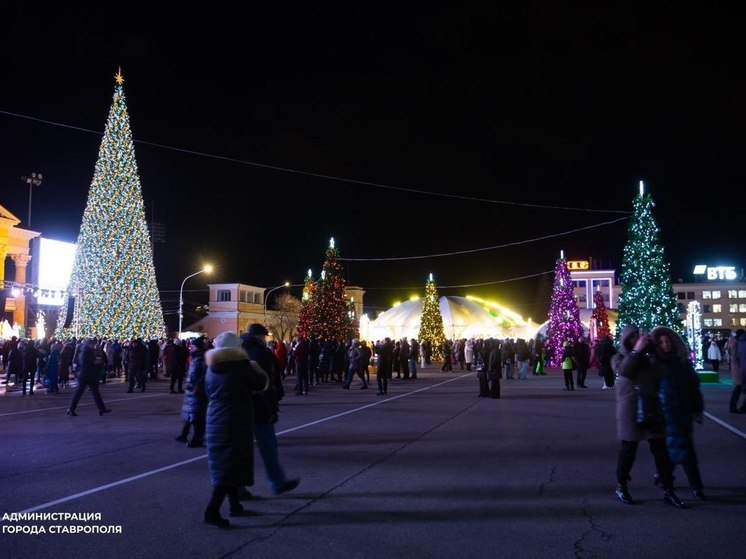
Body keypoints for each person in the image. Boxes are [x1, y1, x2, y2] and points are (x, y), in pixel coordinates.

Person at [612, 325, 684, 508]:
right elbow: (624, 371)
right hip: (631, 413)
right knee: (628, 452)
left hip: (651, 411)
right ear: (626, 340)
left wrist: (654, 348)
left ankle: (669, 490)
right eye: (633, 337)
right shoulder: (618, 358)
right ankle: (621, 486)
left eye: (639, 336)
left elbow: (663, 370)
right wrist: (636, 351)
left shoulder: (650, 359)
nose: (637, 339)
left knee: (661, 453)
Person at [204, 331, 269, 527]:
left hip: (215, 416)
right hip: (235, 418)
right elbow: (261, 384)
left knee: (228, 461)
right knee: (230, 464)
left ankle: (234, 504)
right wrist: (256, 367)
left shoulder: (212, 366)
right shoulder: (241, 366)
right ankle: (212, 511)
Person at [240, 324, 300, 497]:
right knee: (268, 446)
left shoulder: (239, 352)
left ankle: (238, 488)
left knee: (242, 449)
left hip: (242, 407)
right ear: (259, 337)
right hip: (260, 407)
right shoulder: (261, 354)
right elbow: (266, 384)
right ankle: (277, 482)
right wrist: (272, 408)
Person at [651, 326, 706, 500]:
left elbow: (693, 387)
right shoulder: (654, 363)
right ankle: (693, 485)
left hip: (682, 412)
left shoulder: (683, 363)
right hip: (665, 414)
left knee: (681, 449)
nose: (665, 345)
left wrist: (697, 408)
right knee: (678, 450)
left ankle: (689, 484)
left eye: (667, 341)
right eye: (661, 342)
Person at [66, 338, 112, 417]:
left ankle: (101, 408)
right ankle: (71, 409)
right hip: (85, 375)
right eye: (92, 344)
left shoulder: (87, 351)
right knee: (80, 393)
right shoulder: (86, 352)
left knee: (95, 393)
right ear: (88, 344)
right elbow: (92, 361)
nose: (93, 346)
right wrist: (98, 360)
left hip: (90, 375)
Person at [176, 337, 209, 447]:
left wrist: (198, 386)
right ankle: (184, 434)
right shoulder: (196, 357)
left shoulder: (202, 358)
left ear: (197, 347)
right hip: (191, 390)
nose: (191, 347)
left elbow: (205, 374)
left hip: (197, 391)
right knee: (189, 414)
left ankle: (197, 438)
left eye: (193, 346)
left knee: (197, 416)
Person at [730, 329, 745, 413]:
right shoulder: (738, 344)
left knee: (738, 389)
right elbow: (737, 358)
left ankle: (735, 407)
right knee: (738, 389)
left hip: (738, 369)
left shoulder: (734, 343)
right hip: (740, 369)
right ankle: (735, 408)